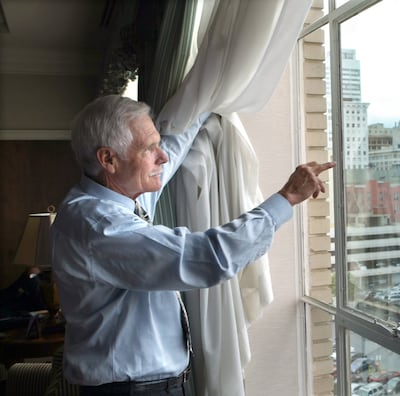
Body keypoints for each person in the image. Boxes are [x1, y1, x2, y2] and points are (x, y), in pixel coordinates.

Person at [50, 94, 335, 395]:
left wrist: (210, 95)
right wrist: (286, 198)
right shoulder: (98, 225)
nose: (161, 157)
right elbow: (207, 257)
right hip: (131, 391)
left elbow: (172, 149)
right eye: (149, 149)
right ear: (108, 159)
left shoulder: (119, 195)